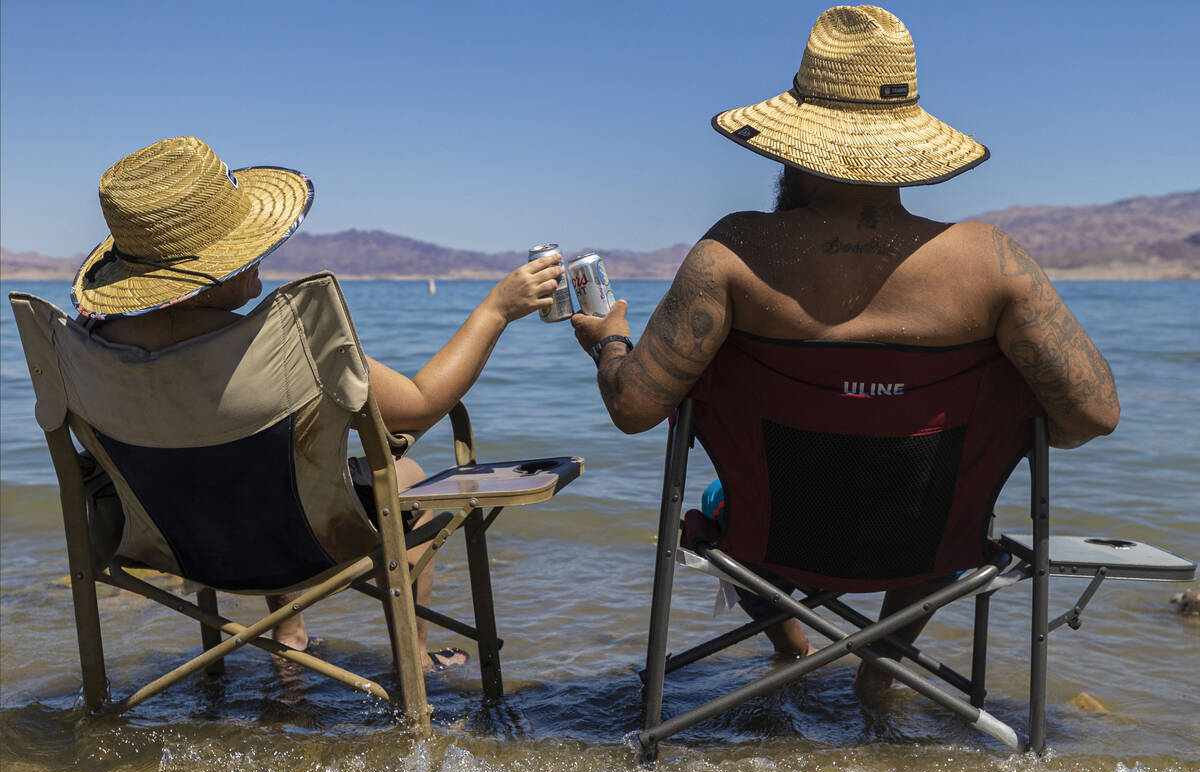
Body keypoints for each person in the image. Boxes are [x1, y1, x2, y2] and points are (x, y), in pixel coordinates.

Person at [572, 5, 1119, 697]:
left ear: (790, 143)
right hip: (930, 545)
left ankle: (790, 646)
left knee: (729, 493)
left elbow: (634, 407)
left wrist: (608, 340)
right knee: (948, 498)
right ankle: (879, 669)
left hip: (766, 537)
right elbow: (1092, 417)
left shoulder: (733, 254)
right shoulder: (992, 262)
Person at [72, 136, 564, 673]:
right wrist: (495, 309)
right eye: (247, 245)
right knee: (406, 475)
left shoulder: (88, 346)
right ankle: (416, 659)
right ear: (211, 270)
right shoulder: (283, 346)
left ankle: (288, 636)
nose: (264, 255)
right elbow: (423, 404)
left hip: (170, 542)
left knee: (241, 466)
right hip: (289, 538)